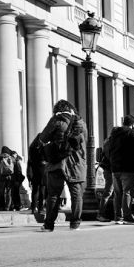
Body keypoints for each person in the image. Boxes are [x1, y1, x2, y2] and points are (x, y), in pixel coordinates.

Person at [37, 99, 86, 232]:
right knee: (76, 195)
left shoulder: (56, 120)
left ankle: (49, 225)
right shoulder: (81, 123)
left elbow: (42, 138)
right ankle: (75, 224)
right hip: (76, 163)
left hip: (57, 162)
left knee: (53, 195)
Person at [105, 114, 134, 224]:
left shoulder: (114, 134)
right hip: (127, 168)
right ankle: (126, 215)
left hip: (114, 168)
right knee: (127, 192)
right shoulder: (130, 133)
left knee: (117, 193)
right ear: (133, 124)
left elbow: (108, 150)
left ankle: (117, 216)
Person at [27, 137, 46, 221]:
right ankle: (37, 207)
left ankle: (36, 207)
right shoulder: (38, 150)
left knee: (38, 191)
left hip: (38, 173)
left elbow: (29, 164)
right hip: (39, 173)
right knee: (39, 191)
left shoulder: (34, 150)